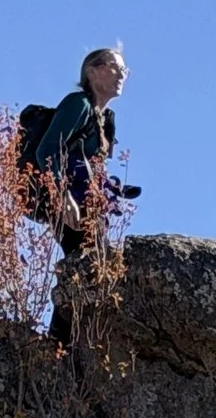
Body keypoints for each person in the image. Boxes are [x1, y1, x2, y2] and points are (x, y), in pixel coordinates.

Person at [16, 46, 137, 267]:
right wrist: (63, 195)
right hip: (67, 200)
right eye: (114, 67)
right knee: (88, 264)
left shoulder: (105, 119)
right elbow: (48, 150)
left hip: (87, 202)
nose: (121, 75)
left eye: (124, 70)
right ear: (91, 72)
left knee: (97, 263)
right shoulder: (78, 104)